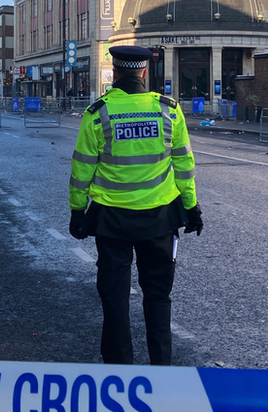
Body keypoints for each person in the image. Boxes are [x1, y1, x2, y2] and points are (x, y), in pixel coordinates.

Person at [68, 45, 203, 366]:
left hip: (111, 222)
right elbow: (184, 166)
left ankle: (118, 371)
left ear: (114, 72)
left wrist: (77, 211)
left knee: (114, 299)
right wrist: (192, 207)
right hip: (161, 220)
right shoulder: (169, 110)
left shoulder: (97, 113)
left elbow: (81, 170)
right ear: (144, 73)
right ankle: (162, 371)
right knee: (158, 297)